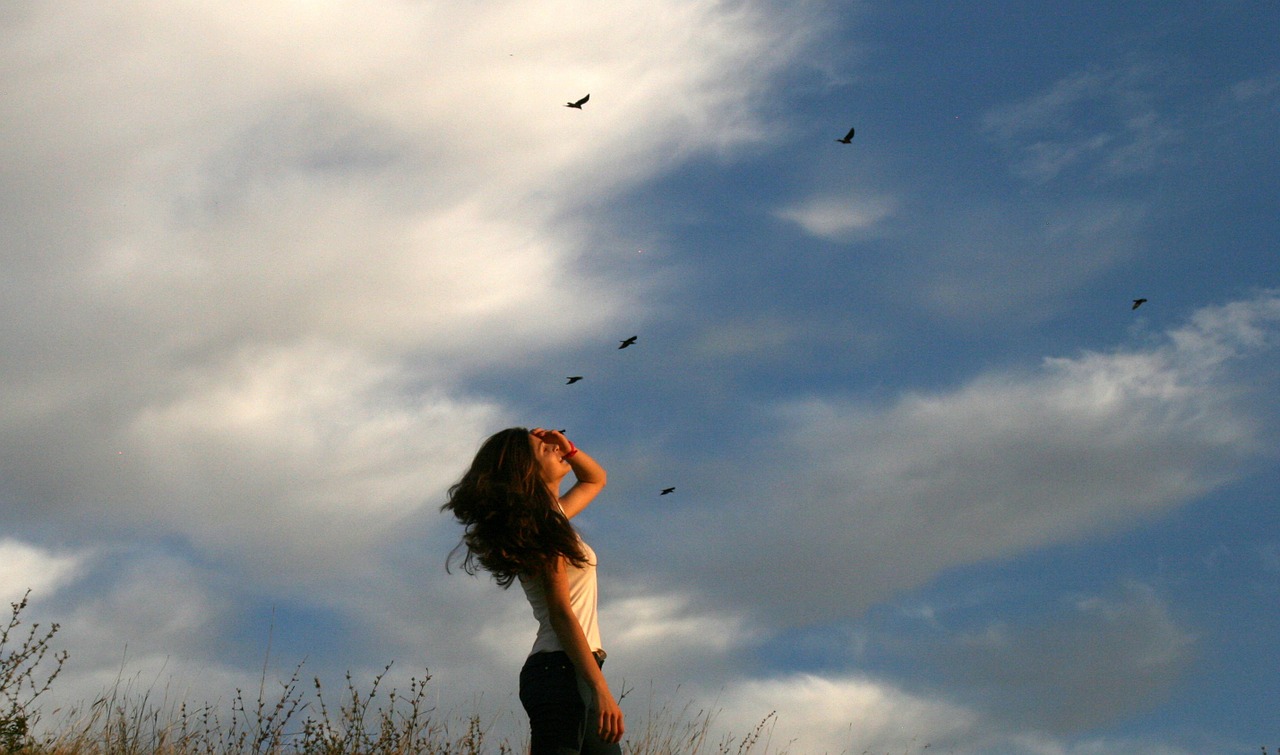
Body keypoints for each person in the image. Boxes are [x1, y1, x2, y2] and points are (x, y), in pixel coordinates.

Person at [442, 427, 624, 754]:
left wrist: (569, 450)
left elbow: (595, 479)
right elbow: (560, 611)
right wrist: (600, 688)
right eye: (545, 449)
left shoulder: (549, 518)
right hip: (561, 672)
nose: (555, 449)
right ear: (527, 469)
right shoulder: (541, 529)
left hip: (575, 669)